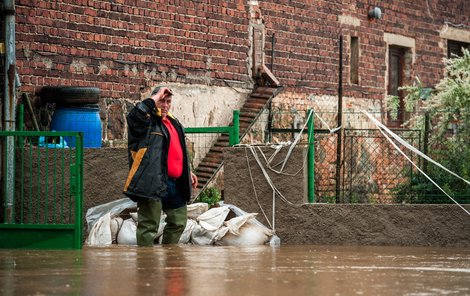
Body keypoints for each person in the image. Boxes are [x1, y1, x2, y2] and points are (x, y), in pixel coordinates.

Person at [123, 86, 198, 246]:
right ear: (155, 100)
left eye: (168, 101)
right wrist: (154, 98)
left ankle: (169, 262)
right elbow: (134, 117)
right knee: (148, 226)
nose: (165, 105)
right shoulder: (145, 122)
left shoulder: (174, 122)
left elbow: (178, 150)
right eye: (161, 101)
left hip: (175, 182)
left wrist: (187, 172)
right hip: (152, 181)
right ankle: (146, 266)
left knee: (178, 223)